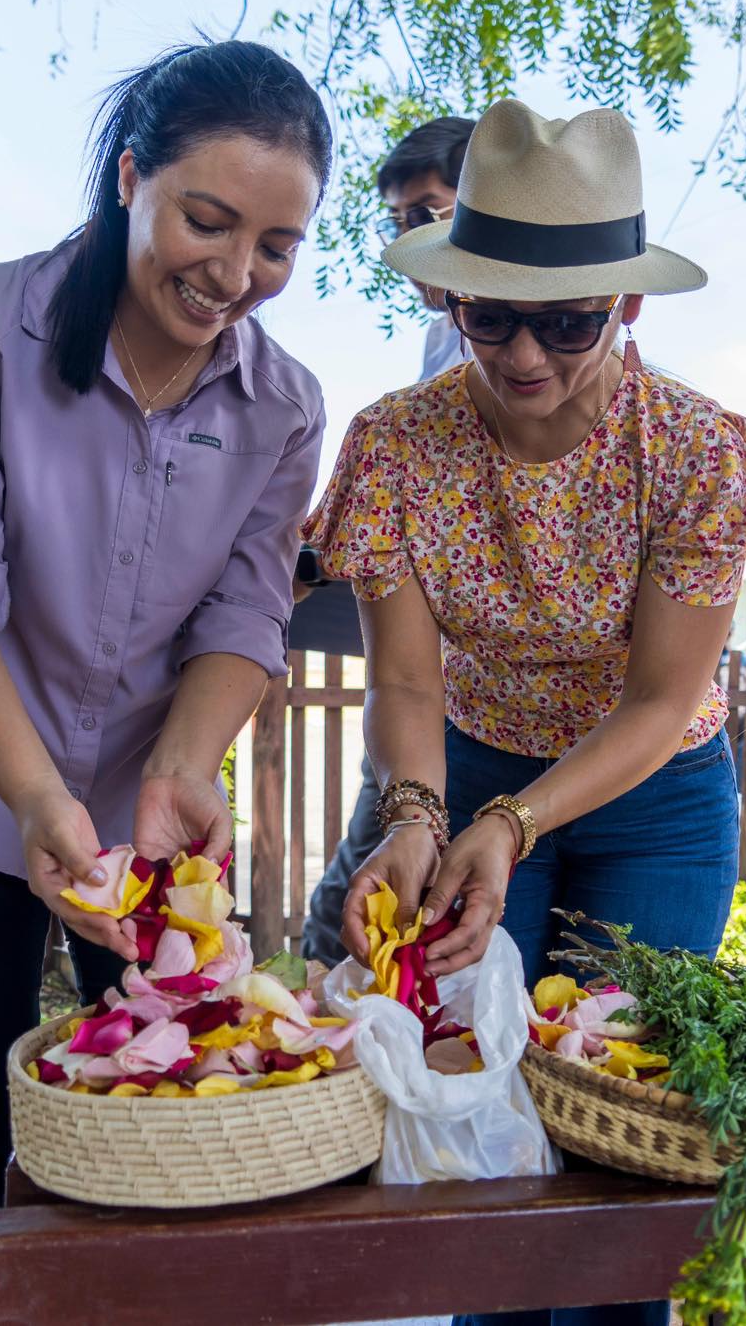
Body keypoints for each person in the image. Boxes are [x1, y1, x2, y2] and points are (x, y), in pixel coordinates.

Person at [0, 43, 331, 1326]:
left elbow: (246, 607)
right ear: (129, 179)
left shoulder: (284, 405)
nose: (233, 275)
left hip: (143, 816)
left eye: (276, 246)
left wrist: (182, 763)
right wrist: (32, 793)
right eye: (206, 221)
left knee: (167, 1105)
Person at [305, 96, 746, 992]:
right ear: (454, 297)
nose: (524, 358)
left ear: (627, 304)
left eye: (567, 323)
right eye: (490, 319)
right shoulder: (393, 445)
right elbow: (405, 682)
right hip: (469, 760)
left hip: (655, 794)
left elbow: (659, 700)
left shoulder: (696, 450)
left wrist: (512, 824)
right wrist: (413, 818)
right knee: (465, 1043)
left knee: (614, 1046)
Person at [301, 114, 478, 966]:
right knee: (364, 894)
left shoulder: (534, 350)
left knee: (367, 907)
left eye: (429, 214)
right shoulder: (440, 343)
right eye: (401, 221)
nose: (410, 241)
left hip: (481, 695)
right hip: (421, 681)